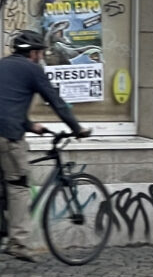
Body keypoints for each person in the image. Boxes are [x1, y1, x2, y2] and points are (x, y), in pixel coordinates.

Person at [0, 30, 91, 262]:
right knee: (18, 185)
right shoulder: (32, 69)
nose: (41, 56)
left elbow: (6, 103)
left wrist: (31, 126)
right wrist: (76, 128)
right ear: (33, 53)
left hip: (7, 127)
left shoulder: (3, 66)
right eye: (40, 52)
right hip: (7, 136)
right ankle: (18, 242)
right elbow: (56, 101)